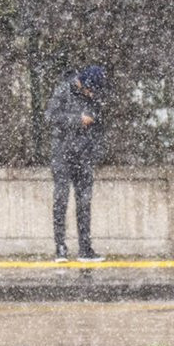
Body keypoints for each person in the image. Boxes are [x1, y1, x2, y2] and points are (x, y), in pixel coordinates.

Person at [45, 65, 108, 263]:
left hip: (84, 156)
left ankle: (85, 248)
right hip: (62, 155)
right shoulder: (63, 91)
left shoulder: (92, 96)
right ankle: (60, 247)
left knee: (84, 202)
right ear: (83, 83)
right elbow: (50, 117)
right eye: (90, 89)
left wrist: (95, 150)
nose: (91, 93)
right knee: (61, 200)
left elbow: (98, 125)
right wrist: (77, 120)